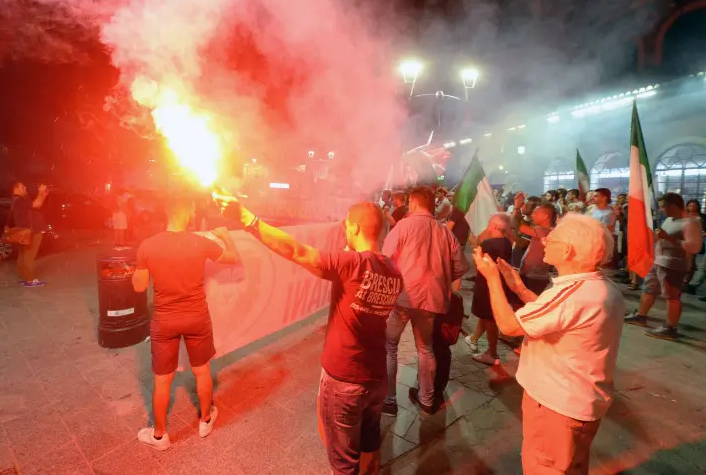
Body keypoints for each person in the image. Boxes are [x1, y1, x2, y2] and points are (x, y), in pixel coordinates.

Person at [214, 194, 402, 475]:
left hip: (344, 379)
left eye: (347, 227)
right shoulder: (393, 271)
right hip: (376, 378)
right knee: (370, 449)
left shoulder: (350, 263)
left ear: (355, 228)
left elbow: (296, 252)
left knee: (342, 464)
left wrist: (246, 218)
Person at [473, 214, 623, 474]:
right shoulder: (599, 287)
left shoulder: (572, 295)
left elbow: (509, 326)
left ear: (567, 251)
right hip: (578, 404)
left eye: (550, 238)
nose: (544, 241)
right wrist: (519, 288)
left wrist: (492, 279)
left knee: (545, 467)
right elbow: (553, 318)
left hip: (558, 407)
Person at [132, 196, 240, 450]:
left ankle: (159, 436)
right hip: (196, 317)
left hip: (164, 319)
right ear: (189, 214)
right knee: (202, 370)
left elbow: (139, 287)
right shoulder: (200, 242)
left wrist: (139, 269)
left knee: (162, 379)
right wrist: (225, 235)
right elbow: (232, 258)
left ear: (166, 214)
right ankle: (205, 420)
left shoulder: (148, 245)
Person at [382, 185, 468, 416]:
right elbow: (461, 266)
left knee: (390, 346)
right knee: (425, 349)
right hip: (432, 301)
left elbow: (384, 259)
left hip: (403, 298)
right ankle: (427, 400)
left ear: (413, 203)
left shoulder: (403, 226)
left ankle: (389, 401)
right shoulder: (445, 232)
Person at [624, 192, 703, 339]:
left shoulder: (691, 223)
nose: (661, 210)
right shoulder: (668, 220)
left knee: (672, 297)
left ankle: (670, 327)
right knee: (648, 289)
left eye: (663, 207)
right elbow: (663, 239)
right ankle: (640, 316)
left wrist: (669, 238)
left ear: (673, 206)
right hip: (659, 262)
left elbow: (694, 247)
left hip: (673, 265)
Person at [464, 213, 518, 365]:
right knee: (486, 315)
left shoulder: (489, 244)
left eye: (489, 223)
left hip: (488, 285)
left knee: (489, 319)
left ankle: (492, 353)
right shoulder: (506, 242)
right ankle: (474, 339)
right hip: (498, 284)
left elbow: (479, 264)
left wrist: (475, 245)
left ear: (493, 226)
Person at [511, 192, 557, 295]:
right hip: (534, 273)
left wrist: (517, 208)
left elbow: (516, 224)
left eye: (536, 213)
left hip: (535, 275)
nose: (532, 215)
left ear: (545, 216)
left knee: (529, 299)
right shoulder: (547, 230)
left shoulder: (543, 230)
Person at [11, 181, 49, 287]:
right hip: (31, 232)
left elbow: (36, 205)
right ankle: (30, 279)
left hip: (24, 231)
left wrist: (43, 195)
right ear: (15, 189)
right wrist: (41, 192)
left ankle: (24, 277)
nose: (25, 189)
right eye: (22, 187)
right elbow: (37, 204)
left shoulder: (18, 200)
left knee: (23, 255)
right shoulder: (20, 200)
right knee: (29, 255)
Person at [684, 199, 706, 297]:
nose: (692, 207)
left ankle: (687, 281)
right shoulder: (684, 216)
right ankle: (685, 281)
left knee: (692, 261)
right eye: (690, 205)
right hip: (685, 240)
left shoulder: (703, 217)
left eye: (694, 205)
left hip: (697, 241)